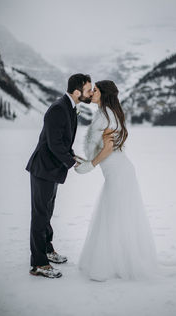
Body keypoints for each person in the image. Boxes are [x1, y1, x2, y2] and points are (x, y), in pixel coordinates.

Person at [75, 80, 158, 281]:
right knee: (114, 214)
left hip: (119, 172)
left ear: (103, 94)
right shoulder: (104, 113)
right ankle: (115, 259)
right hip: (115, 172)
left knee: (114, 215)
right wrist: (86, 160)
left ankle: (114, 263)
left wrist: (91, 164)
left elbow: (108, 148)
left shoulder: (107, 115)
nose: (92, 92)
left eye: (95, 90)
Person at [26, 73, 93, 278]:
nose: (91, 93)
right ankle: (38, 263)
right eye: (88, 90)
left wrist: (73, 156)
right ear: (76, 92)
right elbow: (54, 144)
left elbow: (61, 143)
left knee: (47, 212)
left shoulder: (69, 107)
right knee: (40, 215)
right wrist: (72, 163)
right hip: (43, 169)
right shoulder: (58, 109)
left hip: (52, 169)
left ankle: (47, 249)